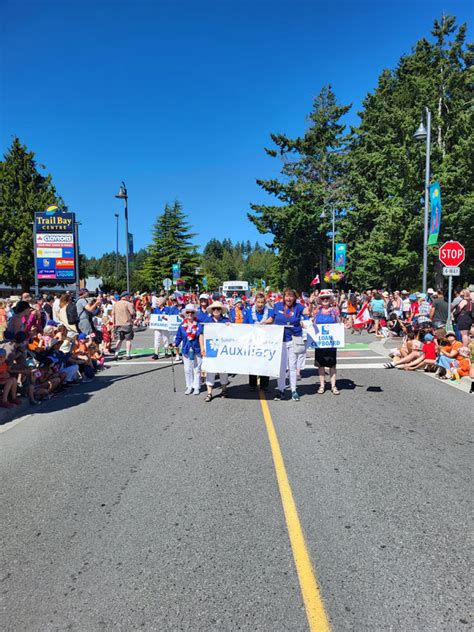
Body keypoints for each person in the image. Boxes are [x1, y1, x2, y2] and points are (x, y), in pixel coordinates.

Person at [273, 288, 306, 401]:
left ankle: (293, 391)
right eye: (287, 296)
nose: (289, 298)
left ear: (295, 298)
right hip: (280, 340)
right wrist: (260, 324)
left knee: (292, 367)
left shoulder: (298, 306)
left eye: (291, 296)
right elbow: (271, 318)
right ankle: (281, 390)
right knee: (281, 368)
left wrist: (311, 305)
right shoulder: (277, 306)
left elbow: (307, 312)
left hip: (293, 339)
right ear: (283, 297)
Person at [199, 300, 231, 402]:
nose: (216, 310)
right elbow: (201, 334)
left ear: (221, 310)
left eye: (218, 309)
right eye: (214, 309)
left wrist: (229, 326)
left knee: (223, 370)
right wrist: (202, 347)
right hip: (210, 347)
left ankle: (224, 390)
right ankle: (209, 393)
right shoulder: (207, 321)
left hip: (223, 349)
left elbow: (233, 334)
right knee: (210, 370)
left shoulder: (226, 320)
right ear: (211, 310)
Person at [312, 289, 341, 394]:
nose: (325, 300)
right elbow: (312, 324)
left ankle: (333, 386)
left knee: (332, 364)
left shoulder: (334, 311)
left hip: (331, 343)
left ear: (330, 299)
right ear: (320, 300)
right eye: (323, 298)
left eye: (327, 298)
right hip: (320, 342)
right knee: (321, 365)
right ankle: (322, 385)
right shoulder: (316, 311)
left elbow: (339, 324)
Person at [244, 292, 274, 391]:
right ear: (255, 302)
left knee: (265, 362)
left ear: (264, 303)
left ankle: (264, 385)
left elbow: (273, 320)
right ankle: (252, 385)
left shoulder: (269, 312)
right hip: (253, 341)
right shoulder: (249, 312)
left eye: (262, 302)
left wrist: (266, 322)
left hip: (265, 341)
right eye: (258, 302)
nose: (260, 304)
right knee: (253, 362)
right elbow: (245, 325)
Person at [172, 304, 202, 395]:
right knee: (187, 369)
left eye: (192, 312)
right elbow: (178, 337)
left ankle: (196, 386)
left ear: (194, 314)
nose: (190, 314)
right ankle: (189, 386)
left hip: (197, 349)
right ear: (185, 313)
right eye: (188, 312)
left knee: (197, 369)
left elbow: (202, 335)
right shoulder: (182, 325)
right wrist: (174, 343)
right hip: (186, 349)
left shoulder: (199, 324)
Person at [112, 291, 135, 360]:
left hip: (118, 324)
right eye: (128, 296)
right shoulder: (128, 304)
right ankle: (128, 354)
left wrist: (114, 324)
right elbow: (132, 312)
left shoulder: (115, 304)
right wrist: (132, 303)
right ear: (126, 297)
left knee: (120, 339)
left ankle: (116, 354)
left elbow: (113, 314)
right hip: (127, 323)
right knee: (128, 340)